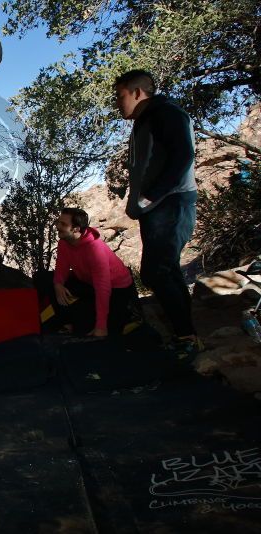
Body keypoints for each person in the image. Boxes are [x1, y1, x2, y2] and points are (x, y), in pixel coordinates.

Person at [113, 69, 201, 356]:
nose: (117, 102)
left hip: (172, 202)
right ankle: (187, 333)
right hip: (157, 206)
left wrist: (152, 196)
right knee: (167, 269)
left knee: (156, 271)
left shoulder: (167, 113)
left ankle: (187, 337)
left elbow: (183, 156)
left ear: (137, 92)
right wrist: (137, 201)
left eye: (120, 95)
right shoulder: (145, 120)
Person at [35, 207, 138, 337]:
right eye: (58, 222)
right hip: (88, 282)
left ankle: (126, 314)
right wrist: (58, 284)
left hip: (116, 287)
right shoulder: (64, 243)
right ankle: (67, 320)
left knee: (109, 329)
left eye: (63, 224)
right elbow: (61, 267)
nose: (57, 226)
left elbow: (103, 288)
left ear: (76, 229)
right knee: (45, 280)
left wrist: (101, 326)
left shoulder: (95, 250)